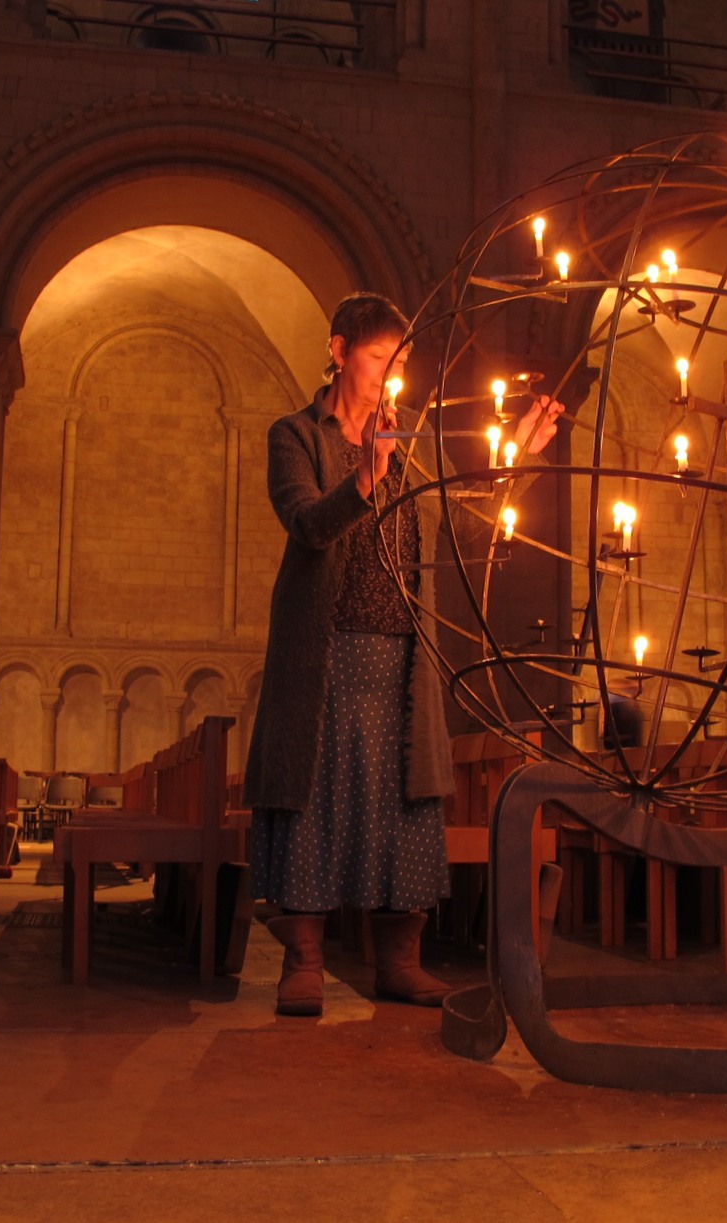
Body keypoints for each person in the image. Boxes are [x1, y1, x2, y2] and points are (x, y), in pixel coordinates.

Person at [242, 291, 564, 1017]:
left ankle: (400, 959)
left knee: (404, 802)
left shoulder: (411, 446)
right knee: (313, 801)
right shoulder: (295, 434)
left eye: (401, 362)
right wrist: (364, 476)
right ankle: (305, 961)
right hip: (323, 653)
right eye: (379, 357)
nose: (390, 374)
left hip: (401, 656)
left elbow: (466, 529)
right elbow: (306, 523)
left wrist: (516, 457)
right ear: (339, 351)